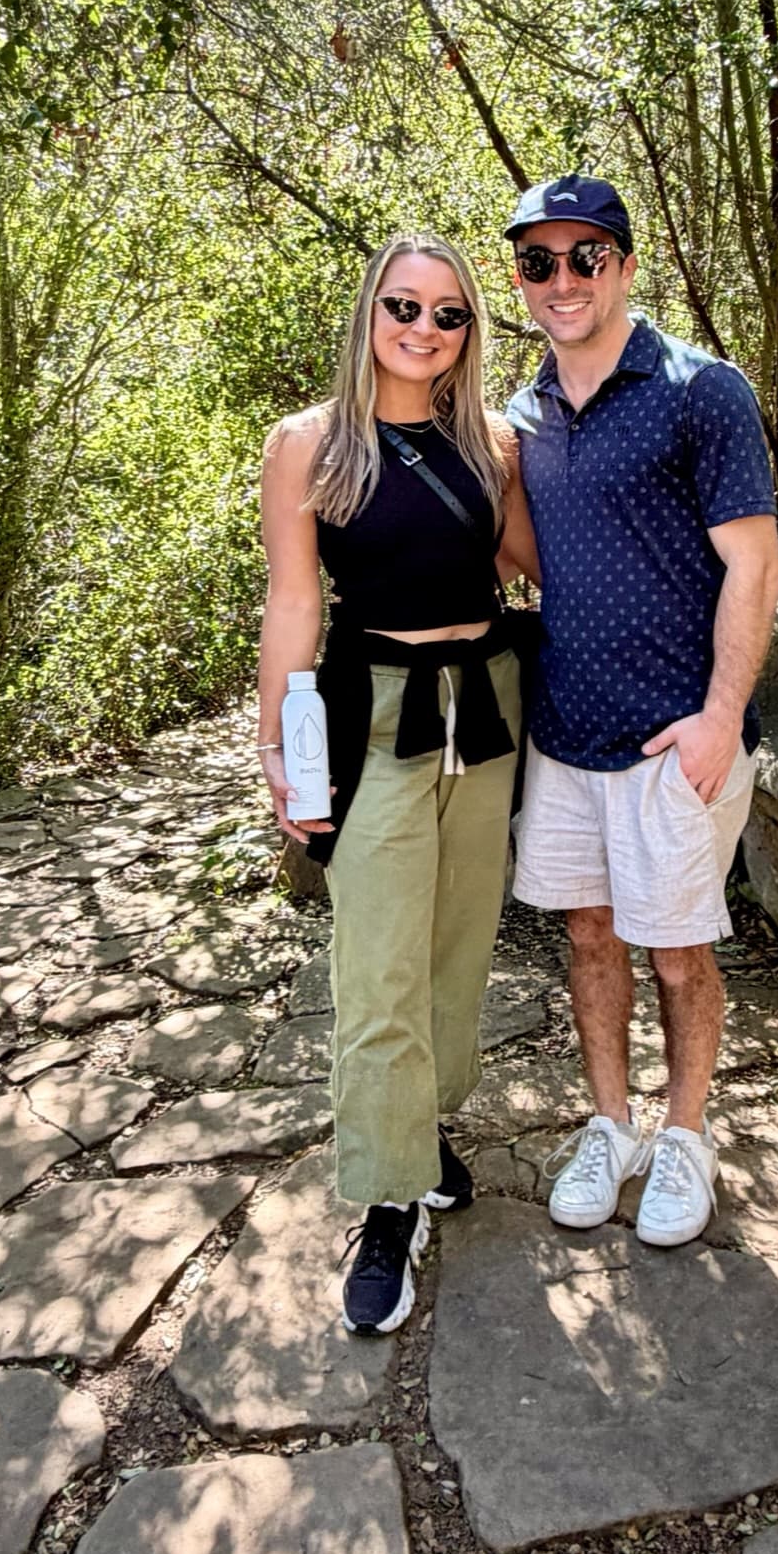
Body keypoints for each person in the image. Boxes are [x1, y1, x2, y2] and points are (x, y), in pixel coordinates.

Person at [258, 233, 536, 1334]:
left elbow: (538, 567)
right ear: (369, 308)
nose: (424, 329)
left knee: (459, 946)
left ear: (470, 333)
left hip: (485, 706)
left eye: (450, 315)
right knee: (376, 957)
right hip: (370, 708)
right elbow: (292, 604)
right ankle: (385, 1197)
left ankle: (423, 1131)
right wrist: (284, 748)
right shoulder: (310, 445)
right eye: (405, 306)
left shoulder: (493, 443)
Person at [505, 174, 778, 1246]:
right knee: (588, 937)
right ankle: (612, 1125)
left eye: (586, 257)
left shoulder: (699, 389)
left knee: (678, 952)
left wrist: (722, 717)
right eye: (539, 261)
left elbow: (753, 569)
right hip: (567, 734)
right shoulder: (524, 414)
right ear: (521, 278)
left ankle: (686, 1138)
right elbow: (534, 558)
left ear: (624, 264)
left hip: (678, 736)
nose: (563, 279)